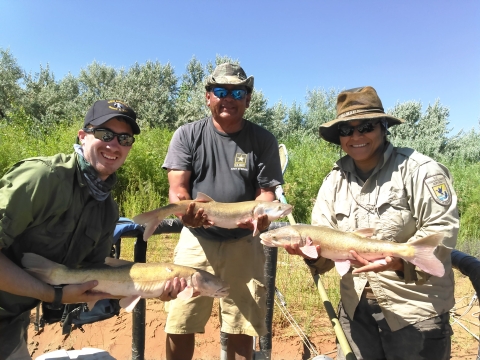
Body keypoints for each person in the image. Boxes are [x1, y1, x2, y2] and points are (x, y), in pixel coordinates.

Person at [0, 100, 183, 360]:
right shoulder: (42, 179)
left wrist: (154, 287)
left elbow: (93, 278)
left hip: (11, 321)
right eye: (104, 134)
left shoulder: (107, 209)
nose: (114, 145)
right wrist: (53, 294)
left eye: (124, 139)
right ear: (83, 136)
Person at [284, 86, 458, 360]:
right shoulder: (333, 182)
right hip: (355, 312)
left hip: (414, 311)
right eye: (346, 130)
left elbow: (442, 232)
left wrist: (400, 262)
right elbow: (325, 255)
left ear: (383, 128)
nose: (356, 136)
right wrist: (309, 253)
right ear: (339, 137)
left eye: (365, 126)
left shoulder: (419, 170)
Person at [162, 63, 284, 360]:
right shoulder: (188, 134)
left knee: (242, 326)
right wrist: (185, 211)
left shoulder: (263, 140)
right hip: (197, 237)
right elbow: (178, 189)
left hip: (243, 242)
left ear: (248, 98)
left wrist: (262, 216)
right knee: (180, 320)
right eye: (220, 91)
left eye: (237, 91)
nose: (228, 97)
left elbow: (266, 192)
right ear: (208, 97)